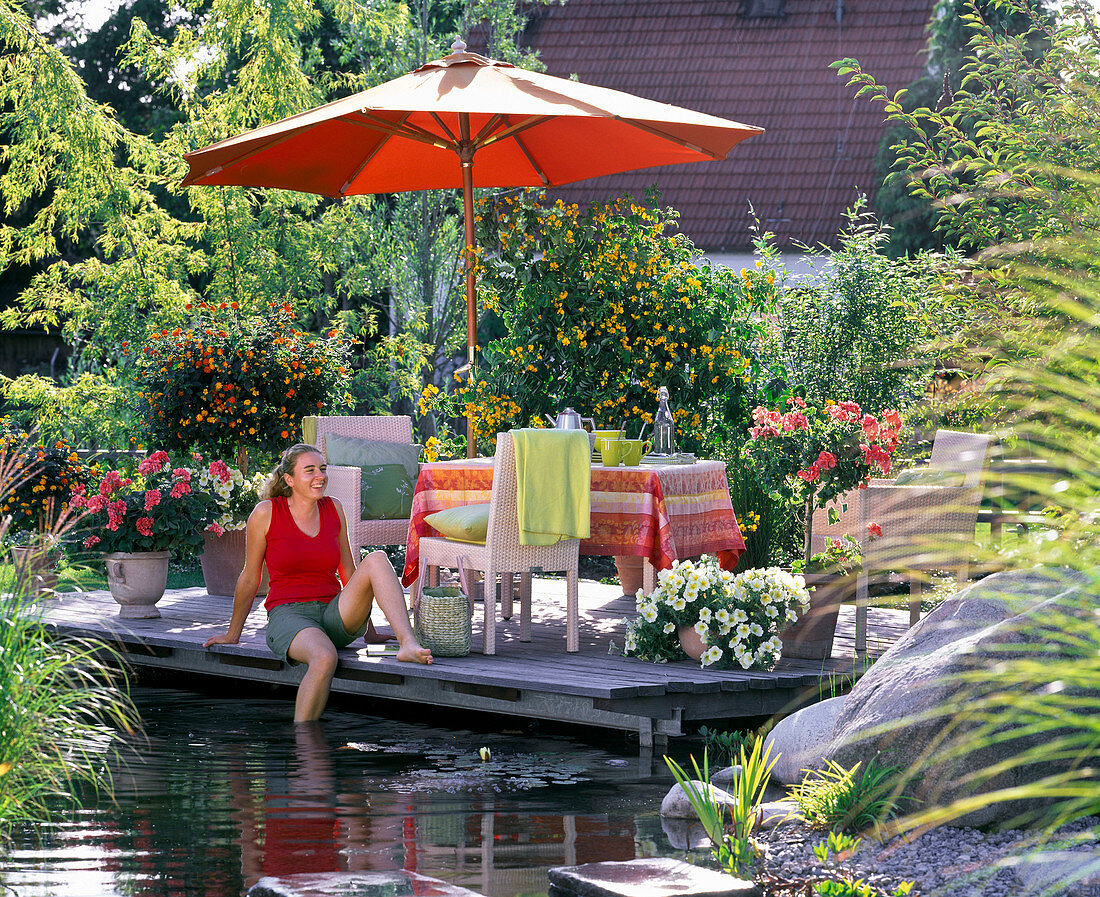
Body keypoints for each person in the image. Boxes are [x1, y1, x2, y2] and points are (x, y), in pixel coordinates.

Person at [204, 444, 431, 721]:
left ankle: (407, 643)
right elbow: (251, 576)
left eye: (322, 469)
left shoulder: (333, 508)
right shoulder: (266, 513)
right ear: (289, 479)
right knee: (324, 658)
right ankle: (305, 748)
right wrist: (233, 634)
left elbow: (349, 571)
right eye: (309, 470)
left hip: (334, 613)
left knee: (377, 559)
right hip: (290, 615)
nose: (320, 476)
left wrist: (369, 631)